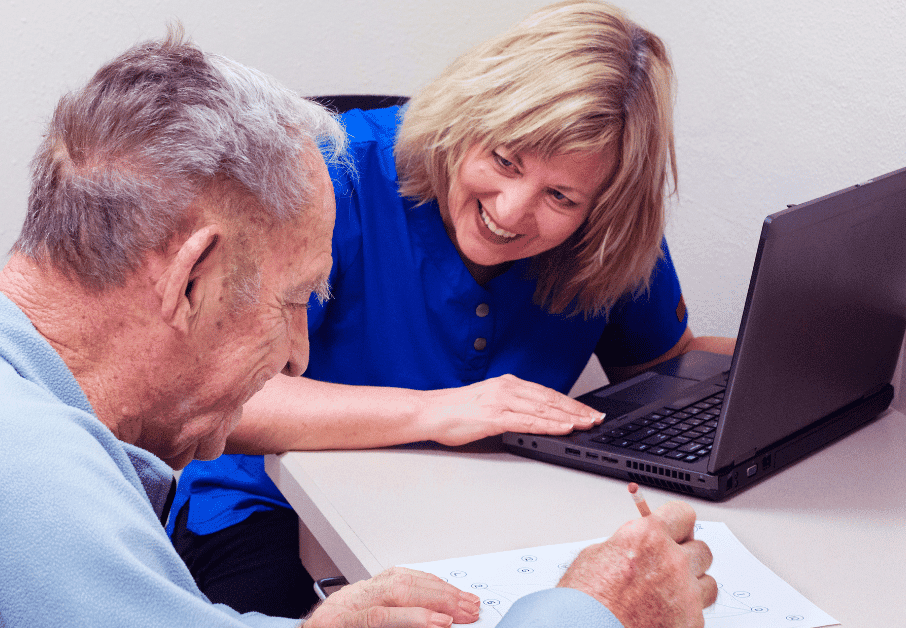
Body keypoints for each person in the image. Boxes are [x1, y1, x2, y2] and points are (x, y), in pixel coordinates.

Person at [0, 24, 714, 628]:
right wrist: (599, 612)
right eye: (288, 301)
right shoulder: (17, 473)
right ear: (192, 276)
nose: (298, 350)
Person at [171, 0, 735, 620]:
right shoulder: (332, 179)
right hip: (272, 509)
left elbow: (668, 366)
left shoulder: (615, 235)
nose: (513, 210)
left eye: (560, 196)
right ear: (466, 119)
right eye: (504, 160)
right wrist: (440, 410)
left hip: (491, 517)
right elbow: (219, 395)